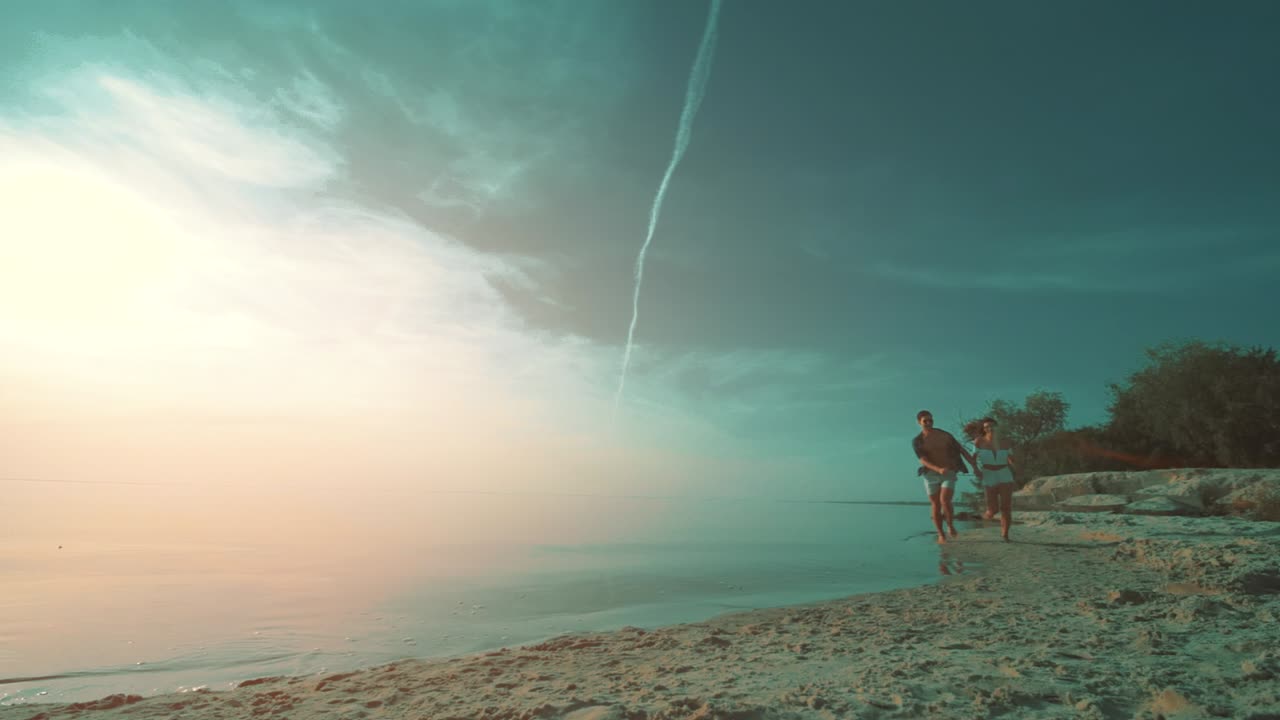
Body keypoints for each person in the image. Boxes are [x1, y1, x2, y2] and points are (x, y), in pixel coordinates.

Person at [912, 410, 977, 544]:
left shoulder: (944, 435)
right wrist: (938, 469)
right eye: (925, 421)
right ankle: (941, 534)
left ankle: (950, 526)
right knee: (935, 504)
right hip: (930, 474)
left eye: (930, 420)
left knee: (945, 501)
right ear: (919, 422)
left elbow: (961, 450)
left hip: (948, 471)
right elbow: (923, 460)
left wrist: (974, 466)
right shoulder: (918, 441)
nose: (929, 423)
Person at [973, 417, 1016, 541]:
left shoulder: (1006, 442)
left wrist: (1015, 465)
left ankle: (1005, 534)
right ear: (984, 429)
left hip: (1004, 473)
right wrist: (976, 470)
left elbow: (1011, 458)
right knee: (993, 509)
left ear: (997, 427)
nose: (990, 429)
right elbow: (973, 458)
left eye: (992, 426)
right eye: (987, 427)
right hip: (988, 474)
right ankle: (985, 516)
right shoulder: (979, 441)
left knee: (1006, 507)